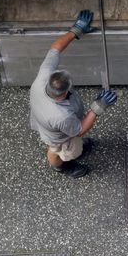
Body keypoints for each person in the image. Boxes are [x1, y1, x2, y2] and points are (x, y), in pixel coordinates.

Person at [29, 10, 119, 178]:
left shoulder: (45, 76)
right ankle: (62, 167)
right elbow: (79, 131)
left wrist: (76, 30)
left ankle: (72, 152)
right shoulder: (61, 116)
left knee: (70, 144)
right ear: (63, 93)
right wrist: (97, 108)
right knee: (56, 150)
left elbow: (55, 48)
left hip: (45, 118)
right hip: (58, 136)